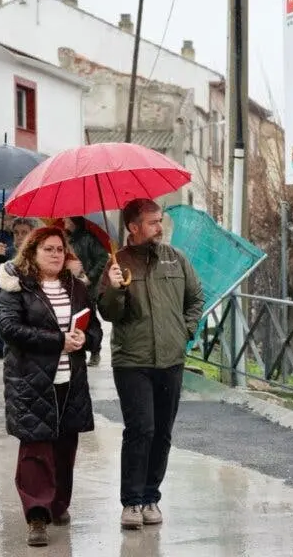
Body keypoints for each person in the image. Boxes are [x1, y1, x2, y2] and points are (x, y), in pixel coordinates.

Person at [0, 226, 103, 547]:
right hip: (31, 381)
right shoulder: (16, 286)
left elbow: (94, 329)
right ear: (32, 251)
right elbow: (10, 329)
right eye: (49, 249)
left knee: (65, 447)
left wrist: (86, 339)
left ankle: (58, 503)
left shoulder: (77, 288)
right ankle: (37, 515)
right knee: (35, 447)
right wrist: (58, 341)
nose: (56, 255)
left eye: (60, 249)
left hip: (70, 381)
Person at [99, 199, 203, 530]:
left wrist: (185, 330)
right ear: (133, 227)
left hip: (171, 359)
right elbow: (109, 313)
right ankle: (131, 503)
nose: (161, 227)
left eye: (161, 221)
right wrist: (115, 289)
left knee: (162, 432)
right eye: (153, 222)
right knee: (140, 428)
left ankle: (150, 497)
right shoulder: (118, 263)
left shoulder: (177, 259)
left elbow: (196, 297)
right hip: (133, 360)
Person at [0, 217, 38, 359]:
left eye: (24, 232)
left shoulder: (38, 253)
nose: (19, 237)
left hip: (30, 301)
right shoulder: (6, 252)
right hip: (7, 300)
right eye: (16, 233)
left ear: (32, 233)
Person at [64, 217, 110, 365]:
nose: (64, 219)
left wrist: (89, 277)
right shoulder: (67, 240)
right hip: (71, 286)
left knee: (90, 320)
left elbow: (103, 259)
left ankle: (95, 350)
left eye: (67, 218)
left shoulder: (89, 238)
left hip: (87, 288)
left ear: (74, 221)